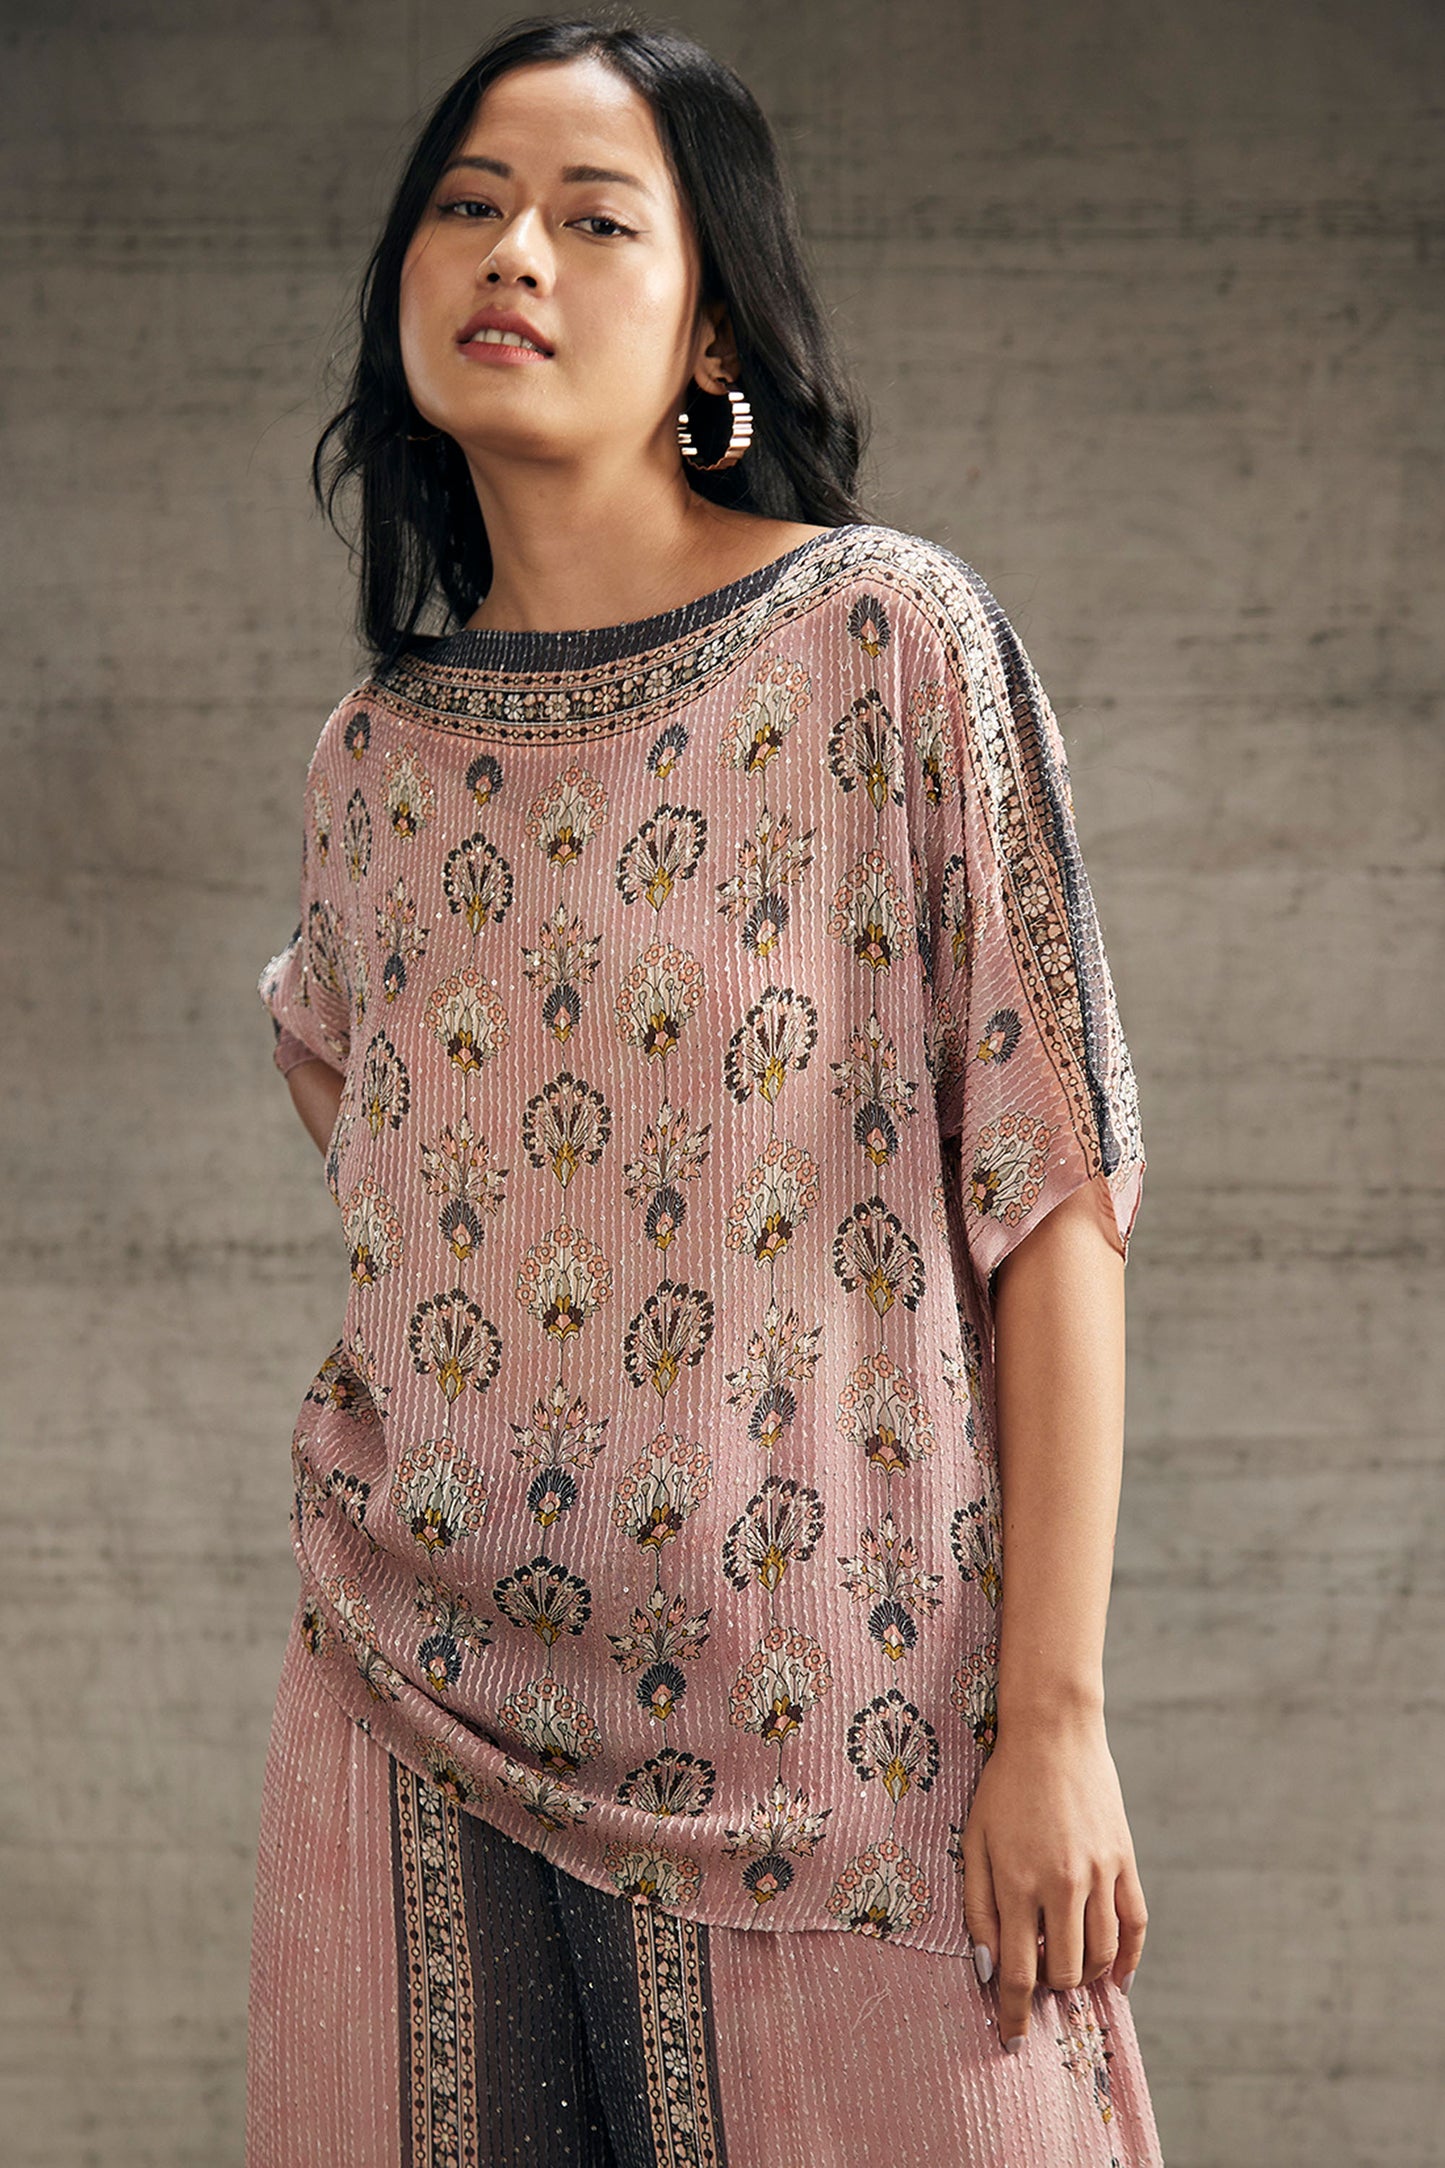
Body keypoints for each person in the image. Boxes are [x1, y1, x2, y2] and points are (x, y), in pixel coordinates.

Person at [246, 14, 1164, 2166]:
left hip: (846, 1728)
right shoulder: (375, 766)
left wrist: (1050, 1719)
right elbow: (384, 1142)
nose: (514, 253)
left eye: (593, 218)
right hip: (408, 1706)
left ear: (711, 327)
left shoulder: (887, 646)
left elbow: (1055, 1197)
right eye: (468, 205)